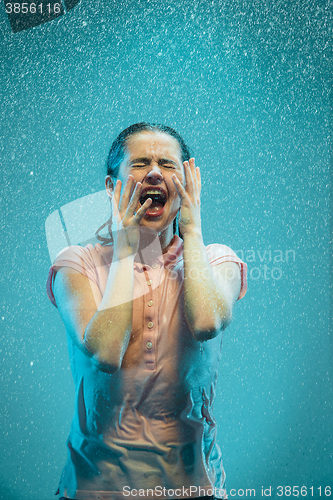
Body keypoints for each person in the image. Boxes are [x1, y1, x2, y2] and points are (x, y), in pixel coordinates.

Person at [46, 122, 247, 500]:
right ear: (112, 187)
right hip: (92, 490)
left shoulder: (217, 259)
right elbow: (106, 351)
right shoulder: (76, 264)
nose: (155, 172)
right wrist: (125, 249)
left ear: (188, 182)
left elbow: (206, 321)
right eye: (140, 163)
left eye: (168, 165)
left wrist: (194, 231)